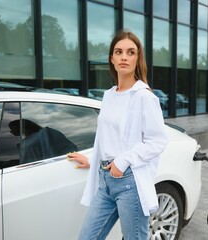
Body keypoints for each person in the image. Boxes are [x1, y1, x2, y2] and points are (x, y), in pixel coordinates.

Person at [67, 29, 168, 240]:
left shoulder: (144, 97)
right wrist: (93, 161)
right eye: (118, 51)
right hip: (105, 180)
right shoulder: (109, 95)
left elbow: (157, 141)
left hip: (129, 181)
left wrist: (122, 161)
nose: (124, 57)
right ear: (111, 59)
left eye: (131, 52)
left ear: (137, 58)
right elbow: (105, 137)